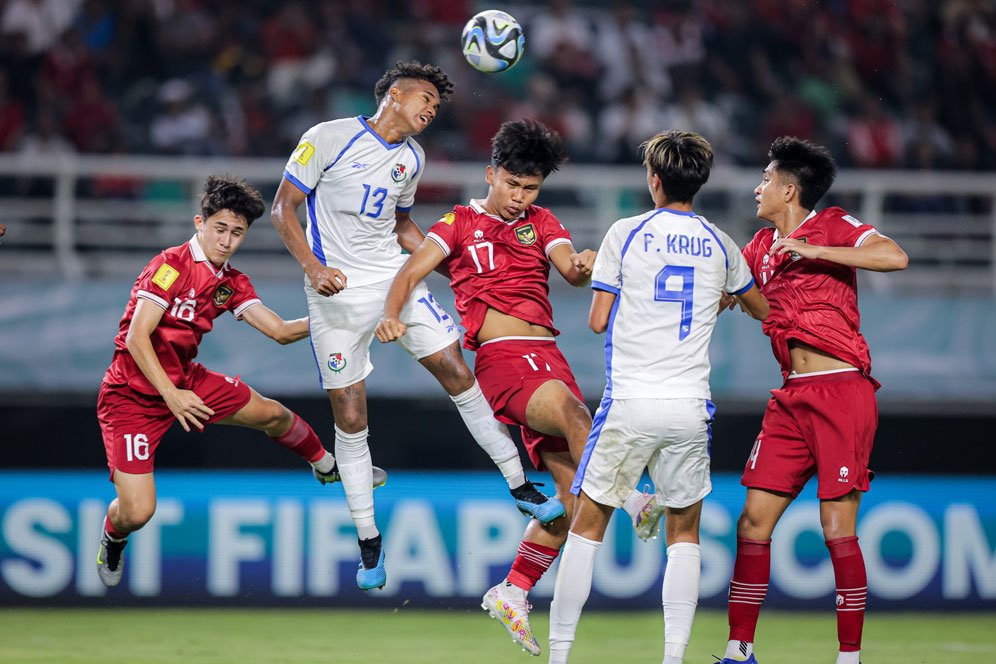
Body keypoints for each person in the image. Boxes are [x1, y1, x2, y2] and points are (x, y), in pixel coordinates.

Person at [270, 62, 563, 592]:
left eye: (436, 104)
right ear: (395, 93)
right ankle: (368, 543)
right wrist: (313, 268)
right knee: (351, 414)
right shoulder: (327, 137)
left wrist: (451, 265)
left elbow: (402, 224)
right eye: (425, 98)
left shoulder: (412, 157)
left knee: (457, 371)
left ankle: (521, 485)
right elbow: (283, 207)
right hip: (333, 292)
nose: (431, 109)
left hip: (391, 279)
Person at [374, 119, 654, 657]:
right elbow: (409, 274)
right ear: (491, 174)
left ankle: (513, 589)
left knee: (571, 502)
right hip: (503, 360)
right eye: (512, 186)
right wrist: (391, 316)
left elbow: (569, 269)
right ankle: (635, 496)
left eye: (530, 189)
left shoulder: (542, 221)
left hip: (548, 355)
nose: (520, 198)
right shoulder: (457, 222)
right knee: (578, 417)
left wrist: (585, 264)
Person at [95, 175, 385, 589]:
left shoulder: (231, 282)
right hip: (132, 396)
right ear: (200, 223)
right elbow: (136, 338)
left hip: (184, 381)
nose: (227, 240)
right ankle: (112, 536)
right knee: (138, 511)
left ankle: (326, 467)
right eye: (220, 229)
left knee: (274, 415)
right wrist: (172, 396)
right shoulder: (169, 266)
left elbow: (281, 331)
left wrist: (344, 318)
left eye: (237, 233)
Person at [545, 131, 769, 664]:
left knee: (588, 526)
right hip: (690, 407)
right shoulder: (721, 243)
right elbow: (760, 308)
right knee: (684, 533)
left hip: (631, 401)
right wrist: (719, 301)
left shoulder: (626, 232)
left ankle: (559, 656)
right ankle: (673, 658)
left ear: (654, 180)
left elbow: (599, 320)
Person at [717, 136, 909, 664]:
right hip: (790, 397)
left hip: (842, 389)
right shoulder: (758, 248)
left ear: (790, 188)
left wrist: (815, 250)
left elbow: (894, 257)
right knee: (752, 521)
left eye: (765, 180)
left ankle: (849, 656)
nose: (757, 188)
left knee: (835, 528)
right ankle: (739, 650)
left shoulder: (834, 225)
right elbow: (752, 304)